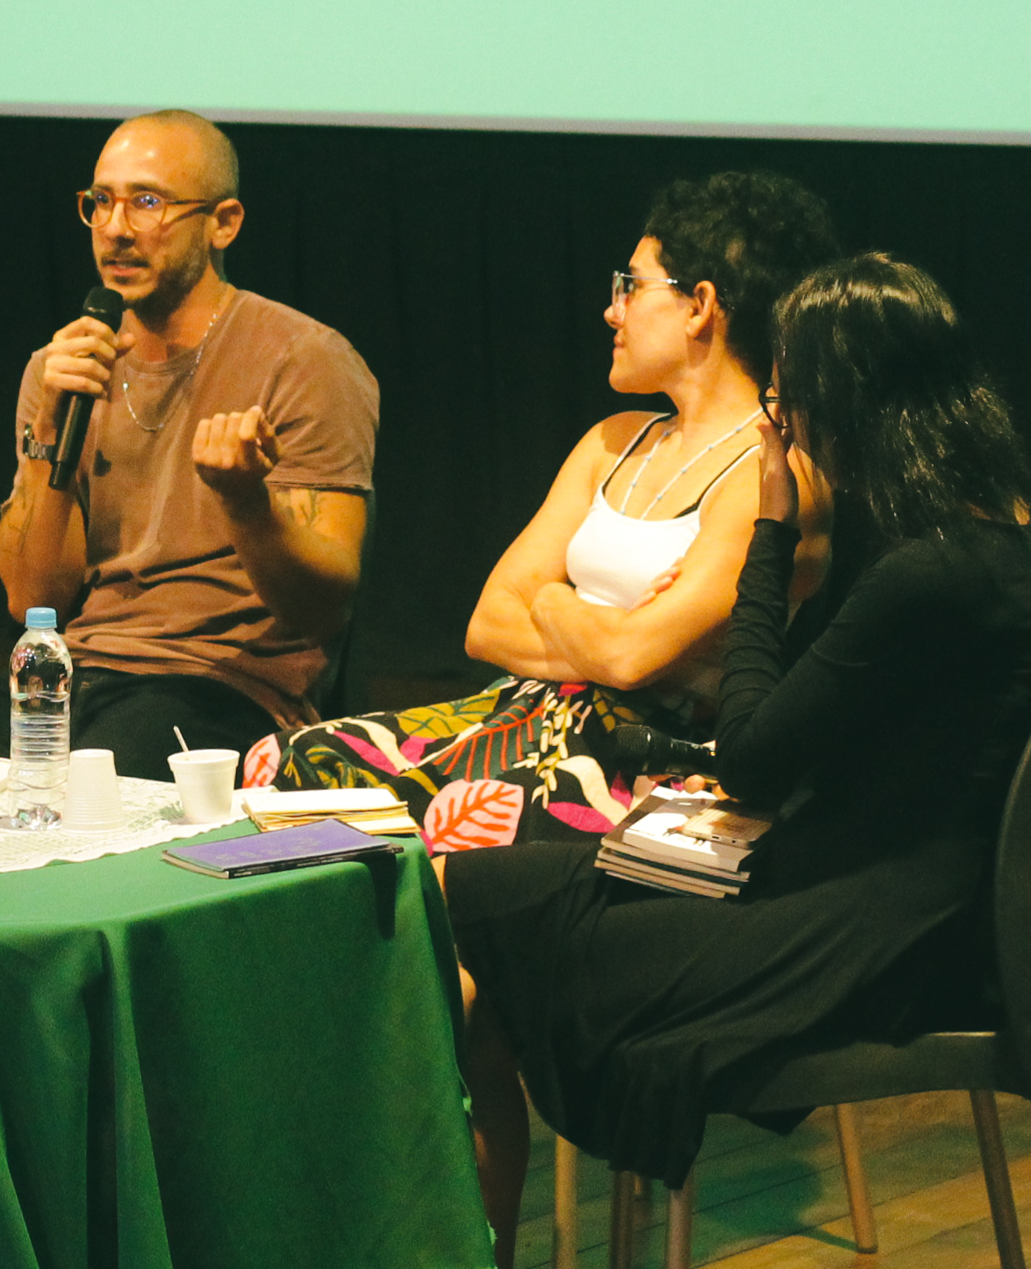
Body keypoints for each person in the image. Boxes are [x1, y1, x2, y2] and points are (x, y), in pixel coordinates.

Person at [436, 253, 1031, 1269]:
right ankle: (469, 1266)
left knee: (469, 908)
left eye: (785, 401)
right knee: (473, 891)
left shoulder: (926, 575)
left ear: (844, 403)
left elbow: (749, 757)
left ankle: (462, 1264)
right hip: (878, 891)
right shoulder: (1005, 538)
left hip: (860, 933)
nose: (779, 426)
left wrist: (766, 534)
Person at [259, 172, 839, 850]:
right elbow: (487, 625)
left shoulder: (772, 473)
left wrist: (554, 600)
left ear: (699, 305)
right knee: (289, 760)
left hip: (646, 752)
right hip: (524, 712)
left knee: (465, 817)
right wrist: (608, 629)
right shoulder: (613, 440)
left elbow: (629, 661)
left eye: (632, 286)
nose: (612, 312)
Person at [0, 110, 377, 777]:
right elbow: (32, 600)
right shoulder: (60, 369)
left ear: (223, 222)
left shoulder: (304, 359)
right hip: (74, 676)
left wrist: (246, 502)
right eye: (100, 202)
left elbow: (322, 607)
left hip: (226, 687)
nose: (116, 228)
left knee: (97, 787)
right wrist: (49, 427)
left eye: (147, 202)